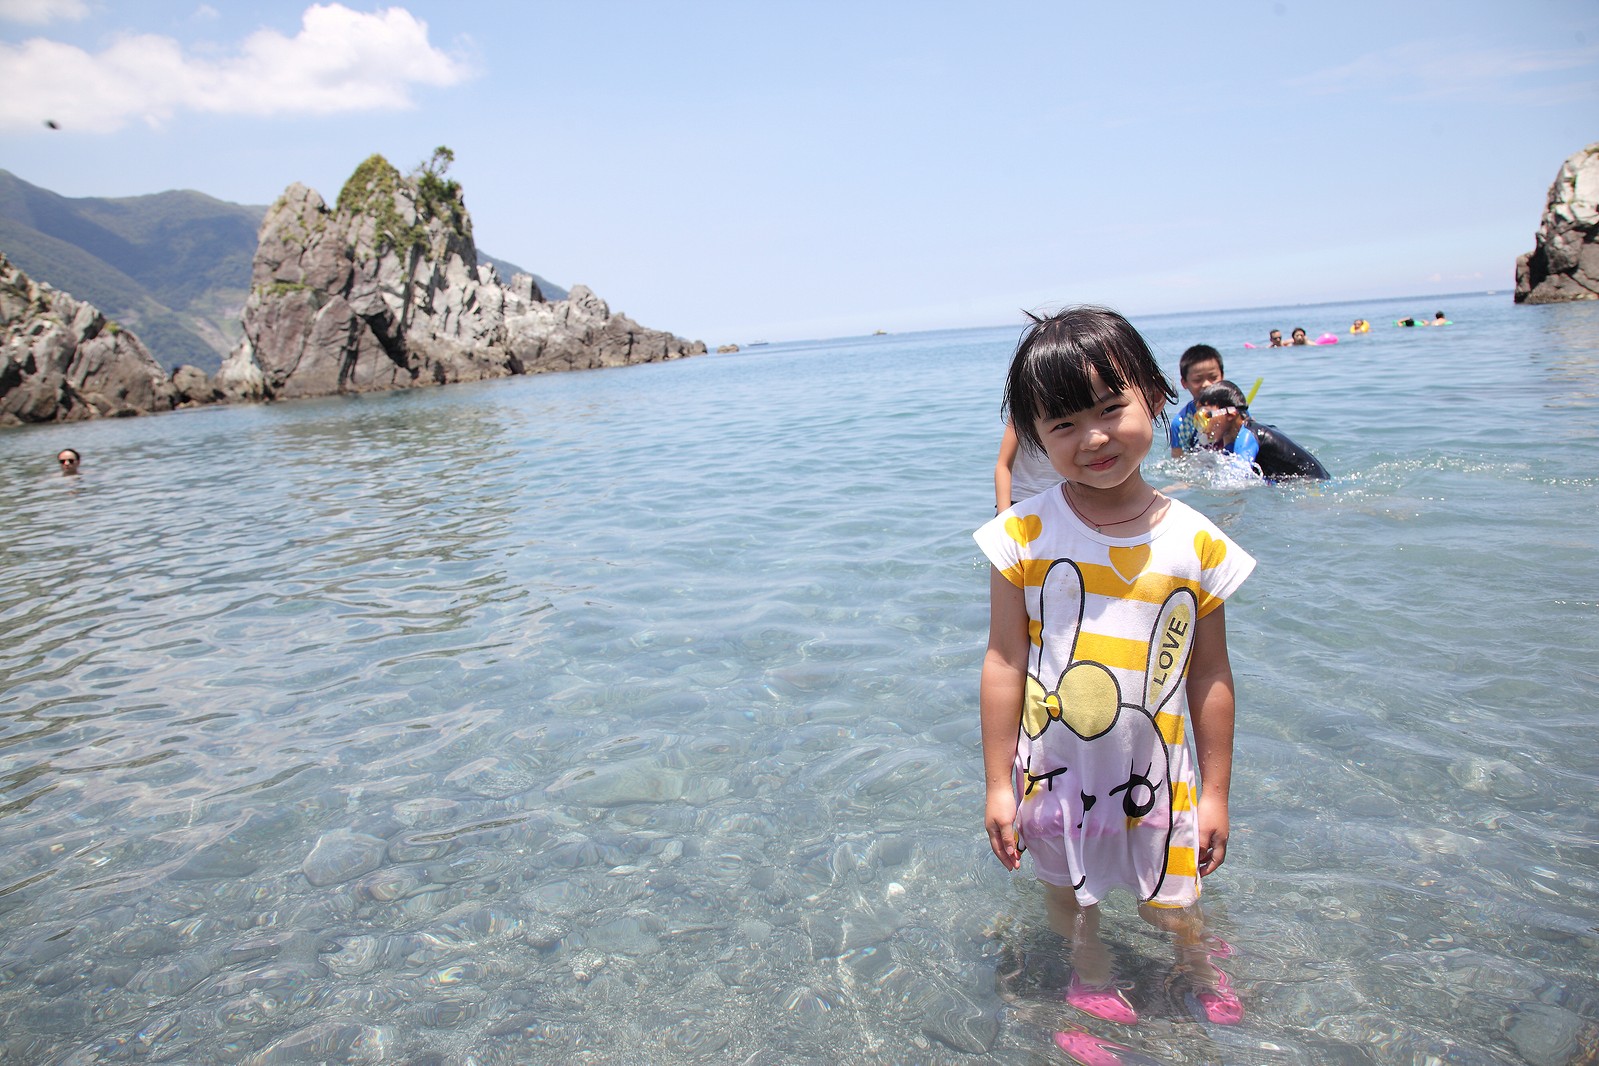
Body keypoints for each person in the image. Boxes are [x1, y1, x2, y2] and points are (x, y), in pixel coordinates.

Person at [974, 306, 1254, 1027]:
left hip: (1157, 770)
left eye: (1109, 409)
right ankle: (1089, 971)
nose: (1092, 438)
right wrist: (997, 784)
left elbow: (1209, 675)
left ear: (1155, 397)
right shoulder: (1021, 534)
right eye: (1063, 424)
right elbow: (1004, 660)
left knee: (1171, 898)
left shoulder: (1198, 542)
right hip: (1054, 770)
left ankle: (1196, 958)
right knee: (1068, 893)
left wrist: (1216, 794)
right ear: (1034, 435)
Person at [1194, 380, 1329, 481]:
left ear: (1230, 414)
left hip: (1312, 485)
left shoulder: (1248, 434)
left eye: (1205, 417)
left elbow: (1236, 479)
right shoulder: (1232, 439)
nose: (1203, 426)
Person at [1168, 344, 1224, 458]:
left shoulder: (1233, 411)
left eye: (1213, 378)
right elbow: (1178, 461)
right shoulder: (1180, 424)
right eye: (1197, 380)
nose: (1206, 384)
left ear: (1222, 376)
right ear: (1184, 383)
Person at [995, 422, 1063, 511]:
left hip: (1061, 502)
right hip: (1021, 500)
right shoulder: (1020, 415)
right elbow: (1003, 465)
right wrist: (1004, 514)